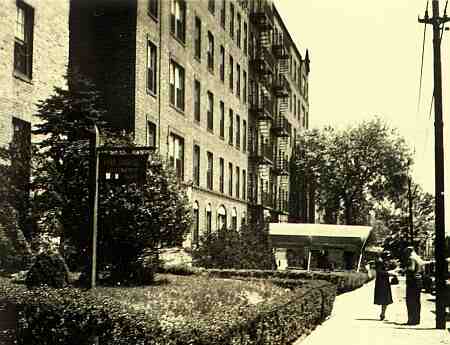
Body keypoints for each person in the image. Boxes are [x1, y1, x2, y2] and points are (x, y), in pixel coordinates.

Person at [404, 246, 424, 325]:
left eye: (406, 252)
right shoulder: (418, 258)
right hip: (418, 281)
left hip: (412, 282)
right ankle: (416, 320)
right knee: (417, 301)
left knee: (410, 301)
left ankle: (411, 320)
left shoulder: (411, 258)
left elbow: (411, 268)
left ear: (409, 251)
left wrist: (404, 269)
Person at [374, 252, 393, 320]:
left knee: (385, 299)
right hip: (382, 282)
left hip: (385, 282)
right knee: (385, 299)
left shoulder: (383, 262)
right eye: (387, 257)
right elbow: (379, 272)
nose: (389, 258)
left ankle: (383, 313)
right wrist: (389, 273)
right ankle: (382, 314)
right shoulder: (380, 262)